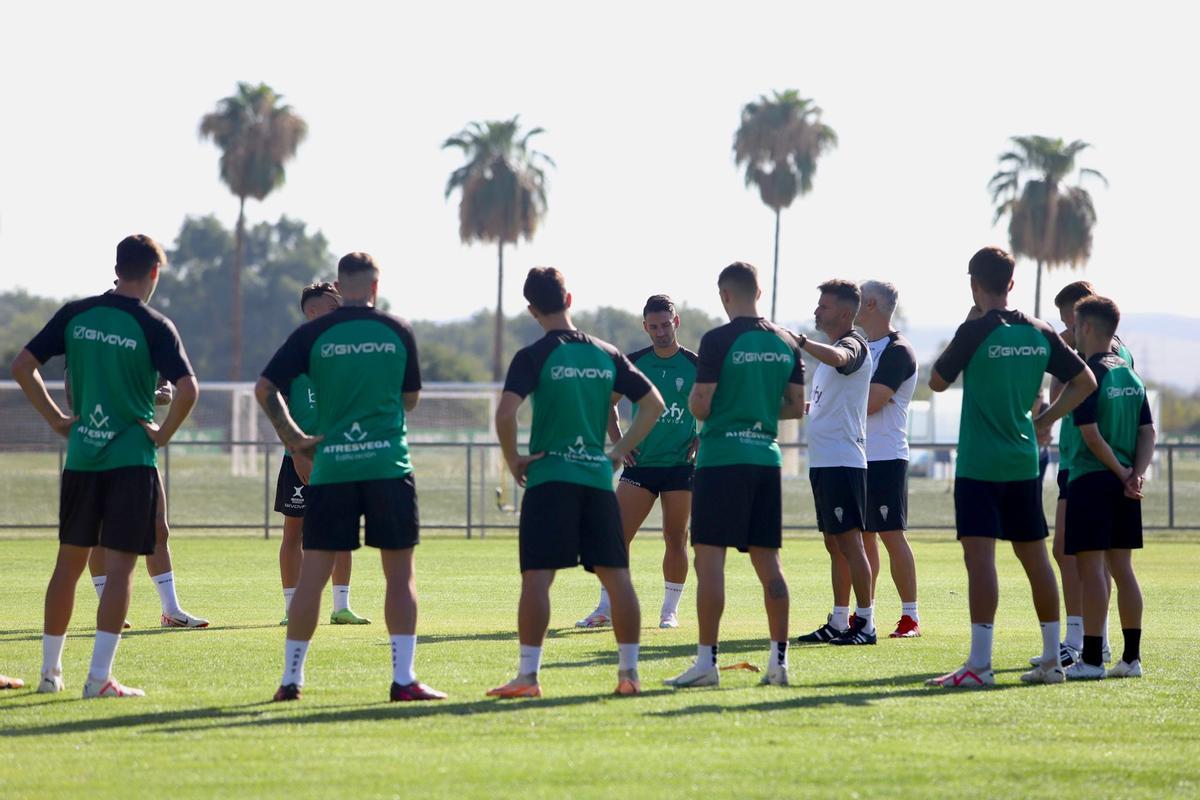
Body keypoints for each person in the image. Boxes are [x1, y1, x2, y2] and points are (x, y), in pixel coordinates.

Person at [11, 234, 199, 698]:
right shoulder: (155, 325)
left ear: (117, 268)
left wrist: (57, 419)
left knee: (67, 566)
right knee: (120, 571)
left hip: (82, 458)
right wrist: (162, 433)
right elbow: (188, 389)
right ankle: (98, 679)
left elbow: (22, 366)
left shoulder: (76, 314)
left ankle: (50, 675)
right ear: (154, 272)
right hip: (131, 461)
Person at [257, 252, 444, 702]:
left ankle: (291, 680)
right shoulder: (397, 329)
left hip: (332, 468)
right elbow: (411, 399)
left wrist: (295, 440)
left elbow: (265, 389)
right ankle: (403, 680)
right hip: (387, 466)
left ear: (340, 287)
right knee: (399, 576)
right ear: (375, 287)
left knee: (313, 575)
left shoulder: (312, 334)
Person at [489, 268, 664, 698]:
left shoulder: (533, 355)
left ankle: (528, 677)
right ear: (569, 299)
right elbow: (654, 405)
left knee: (537, 579)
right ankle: (629, 674)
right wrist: (617, 452)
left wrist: (514, 461)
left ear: (532, 310)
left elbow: (506, 414)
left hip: (550, 479)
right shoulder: (606, 353)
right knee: (617, 579)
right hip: (596, 481)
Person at [925, 246, 1095, 688]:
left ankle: (980, 665)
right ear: (1012, 284)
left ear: (974, 284)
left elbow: (937, 381)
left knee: (980, 558)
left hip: (979, 464)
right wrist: (1046, 420)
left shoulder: (975, 330)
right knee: (1036, 558)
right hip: (1023, 462)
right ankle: (1053, 660)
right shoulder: (1040, 330)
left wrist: (967, 326)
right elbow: (1085, 381)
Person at [664, 262, 805, 688]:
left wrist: (719, 403)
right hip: (765, 459)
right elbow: (794, 407)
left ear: (725, 295)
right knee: (770, 564)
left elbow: (701, 405)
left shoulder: (718, 339)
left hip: (721, 459)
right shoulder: (786, 341)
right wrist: (757, 407)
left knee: (710, 562)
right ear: (759, 292)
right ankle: (778, 664)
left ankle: (706, 663)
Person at [576, 294, 698, 630]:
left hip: (680, 466)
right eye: (654, 326)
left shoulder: (696, 364)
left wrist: (703, 437)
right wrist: (620, 443)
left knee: (676, 538)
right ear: (645, 327)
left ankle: (669, 612)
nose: (661, 332)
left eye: (666, 325)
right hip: (640, 466)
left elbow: (721, 404)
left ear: (676, 322)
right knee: (615, 536)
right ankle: (606, 608)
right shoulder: (633, 363)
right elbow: (606, 403)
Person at [1031, 280, 1135, 668]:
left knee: (1089, 558)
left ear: (1084, 319)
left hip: (1090, 464)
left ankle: (1086, 643)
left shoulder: (1101, 359)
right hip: (1086, 461)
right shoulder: (1098, 353)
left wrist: (1043, 421)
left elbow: (1080, 404)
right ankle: (1094, 642)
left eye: (1070, 322)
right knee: (1080, 555)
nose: (1067, 330)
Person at [1047, 296, 1152, 680]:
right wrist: (1135, 473)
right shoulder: (1130, 374)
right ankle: (1131, 658)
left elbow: (1090, 435)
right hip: (1125, 486)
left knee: (1090, 568)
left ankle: (1091, 660)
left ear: (1087, 327)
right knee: (1123, 569)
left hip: (1091, 479)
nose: (1071, 332)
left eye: (1074, 325)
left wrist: (1121, 471)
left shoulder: (1088, 376)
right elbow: (1148, 432)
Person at [275, 282, 369, 627]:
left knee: (342, 533)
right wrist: (296, 450)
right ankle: (291, 608)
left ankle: (341, 606)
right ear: (312, 312)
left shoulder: (346, 352)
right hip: (299, 460)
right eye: (333, 307)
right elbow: (275, 404)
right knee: (294, 533)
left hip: (339, 459)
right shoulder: (294, 353)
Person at [82, 375, 208, 629]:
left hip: (140, 446)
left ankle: (171, 611)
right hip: (99, 443)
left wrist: (134, 395)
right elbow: (74, 390)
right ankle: (107, 608)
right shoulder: (93, 353)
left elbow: (166, 392)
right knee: (100, 531)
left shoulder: (148, 351)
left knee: (158, 528)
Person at [794, 280, 877, 646]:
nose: (817, 311)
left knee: (851, 544)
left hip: (843, 461)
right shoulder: (829, 353)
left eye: (824, 306)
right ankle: (839, 620)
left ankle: (866, 624)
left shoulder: (852, 344)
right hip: (825, 462)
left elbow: (843, 359)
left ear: (845, 314)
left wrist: (800, 342)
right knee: (835, 544)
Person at [856, 280, 921, 639]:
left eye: (859, 298)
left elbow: (871, 402)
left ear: (871, 304)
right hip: (857, 455)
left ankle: (910, 617)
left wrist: (831, 404)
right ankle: (865, 614)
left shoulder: (898, 350)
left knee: (891, 535)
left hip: (886, 456)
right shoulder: (861, 346)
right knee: (864, 538)